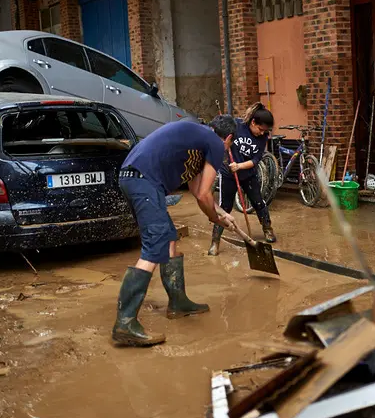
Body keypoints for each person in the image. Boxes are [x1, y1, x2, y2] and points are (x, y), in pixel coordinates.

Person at [112, 116, 238, 347]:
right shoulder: (215, 143)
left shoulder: (198, 139)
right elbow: (203, 196)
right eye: (229, 147)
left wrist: (221, 212)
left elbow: (197, 188)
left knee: (169, 237)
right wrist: (214, 219)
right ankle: (125, 322)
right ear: (228, 138)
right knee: (156, 243)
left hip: (135, 179)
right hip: (144, 180)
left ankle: (178, 302)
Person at [208, 102, 276, 256]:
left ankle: (267, 229)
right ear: (253, 122)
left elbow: (256, 159)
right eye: (260, 129)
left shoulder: (262, 137)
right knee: (224, 207)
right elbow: (219, 133)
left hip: (248, 174)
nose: (262, 133)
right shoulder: (237, 125)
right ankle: (215, 241)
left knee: (259, 202)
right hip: (228, 174)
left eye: (265, 131)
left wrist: (239, 166)